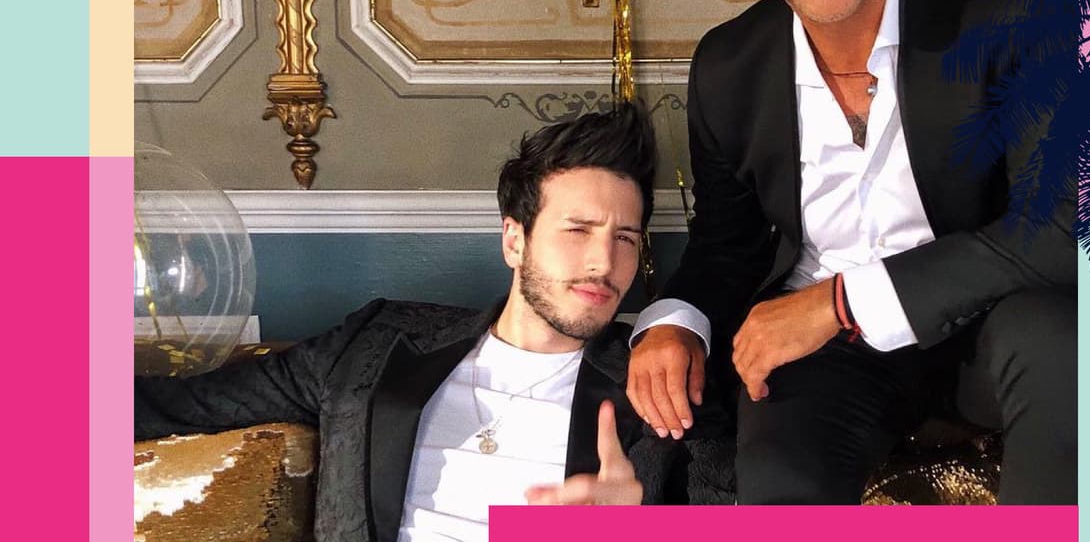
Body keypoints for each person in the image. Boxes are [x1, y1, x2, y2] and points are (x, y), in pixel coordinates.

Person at [626, 0, 1079, 505]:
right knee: (781, 481)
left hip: (991, 318)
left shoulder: (1019, 1)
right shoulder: (728, 67)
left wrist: (842, 302)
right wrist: (673, 322)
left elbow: (1066, 224)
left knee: (1058, 344)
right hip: (829, 358)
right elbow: (727, 248)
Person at [136, 104, 684, 541]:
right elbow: (183, 405)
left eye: (625, 238)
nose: (603, 262)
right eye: (578, 230)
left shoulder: (659, 386)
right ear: (514, 240)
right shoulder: (376, 343)